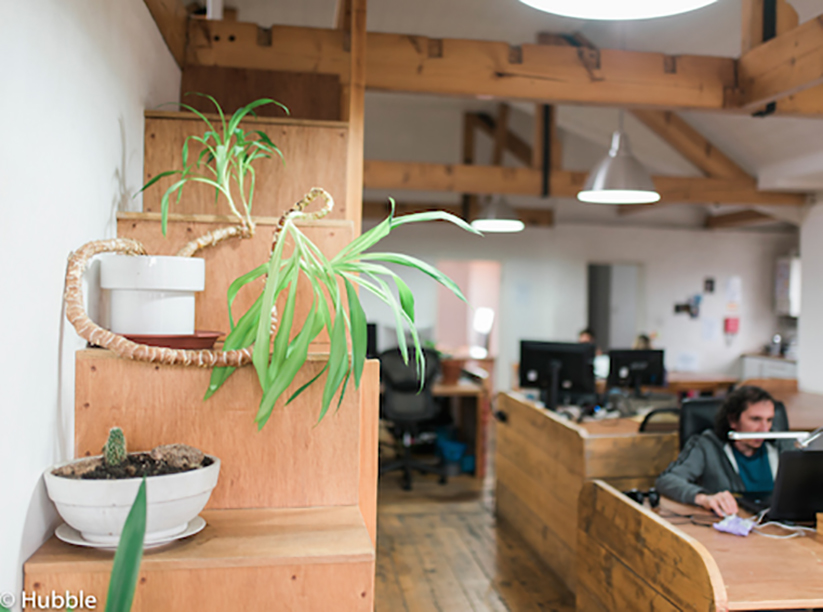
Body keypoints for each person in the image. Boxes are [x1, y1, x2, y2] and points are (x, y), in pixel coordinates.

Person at [655, 386, 794, 517]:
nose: (764, 429)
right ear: (733, 420)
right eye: (755, 419)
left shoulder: (782, 444)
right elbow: (667, 480)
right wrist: (704, 498)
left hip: (778, 526)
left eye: (769, 420)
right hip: (729, 523)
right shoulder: (707, 445)